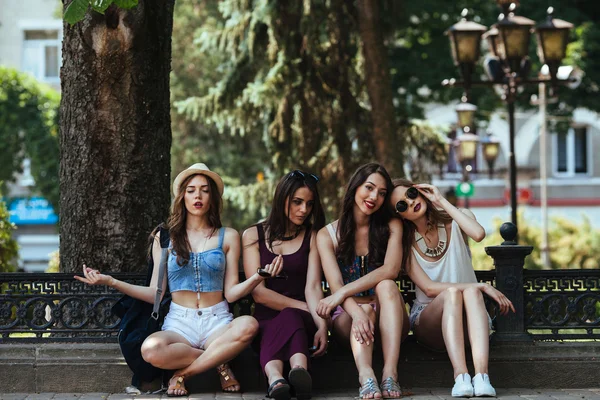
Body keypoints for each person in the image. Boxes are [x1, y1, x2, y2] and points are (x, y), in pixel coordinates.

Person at [75, 163, 274, 397]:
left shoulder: (227, 236)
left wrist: (257, 276)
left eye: (204, 190)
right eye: (190, 190)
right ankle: (220, 362)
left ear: (212, 197)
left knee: (248, 325)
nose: (197, 196)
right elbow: (156, 294)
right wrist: (111, 282)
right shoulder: (165, 237)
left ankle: (182, 374)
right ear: (182, 197)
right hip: (179, 324)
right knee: (150, 349)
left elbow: (231, 293)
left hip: (217, 321)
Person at [389, 179, 515, 398]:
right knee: (455, 293)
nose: (411, 203)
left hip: (470, 320)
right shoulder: (404, 243)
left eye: (411, 194)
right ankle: (461, 376)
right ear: (400, 215)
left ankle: (482, 377)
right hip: (430, 320)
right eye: (402, 205)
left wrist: (439, 200)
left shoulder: (457, 218)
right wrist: (481, 285)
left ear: (420, 192)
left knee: (470, 293)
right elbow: (428, 289)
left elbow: (478, 234)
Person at [316, 163, 409, 400]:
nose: (373, 197)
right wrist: (357, 313)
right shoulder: (327, 235)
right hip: (347, 317)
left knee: (387, 285)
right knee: (364, 310)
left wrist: (341, 293)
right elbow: (335, 285)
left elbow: (391, 269)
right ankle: (366, 376)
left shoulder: (391, 225)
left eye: (381, 193)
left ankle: (390, 372)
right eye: (369, 188)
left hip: (390, 314)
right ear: (355, 187)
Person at [242, 170, 327, 400]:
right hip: (266, 318)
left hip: (304, 317)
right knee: (285, 319)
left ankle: (275, 379)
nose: (304, 210)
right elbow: (259, 294)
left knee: (291, 317)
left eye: (309, 204)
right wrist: (303, 307)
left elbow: (312, 287)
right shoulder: (253, 236)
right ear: (282, 199)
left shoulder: (313, 236)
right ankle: (299, 371)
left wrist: (321, 325)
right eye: (297, 202)